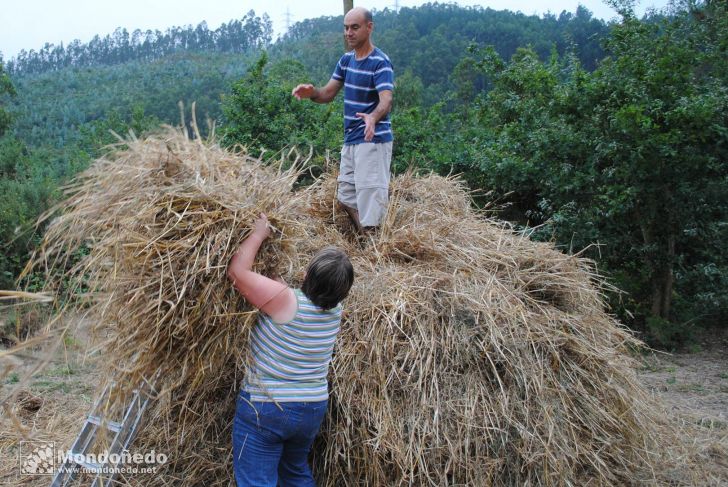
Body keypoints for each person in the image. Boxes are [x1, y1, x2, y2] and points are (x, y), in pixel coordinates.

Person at [227, 213, 354, 487]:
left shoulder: (284, 301)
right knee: (294, 474)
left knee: (257, 481)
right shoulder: (336, 312)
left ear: (306, 275)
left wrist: (258, 234)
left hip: (268, 406)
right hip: (311, 407)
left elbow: (237, 273)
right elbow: (291, 296)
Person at [292, 7, 394, 234]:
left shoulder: (380, 62)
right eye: (346, 28)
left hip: (372, 140)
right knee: (346, 195)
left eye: (354, 27)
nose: (349, 33)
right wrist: (312, 93)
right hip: (351, 140)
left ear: (369, 27)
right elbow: (327, 93)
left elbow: (386, 100)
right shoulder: (346, 60)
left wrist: (373, 117)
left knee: (370, 200)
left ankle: (376, 249)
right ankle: (368, 239)